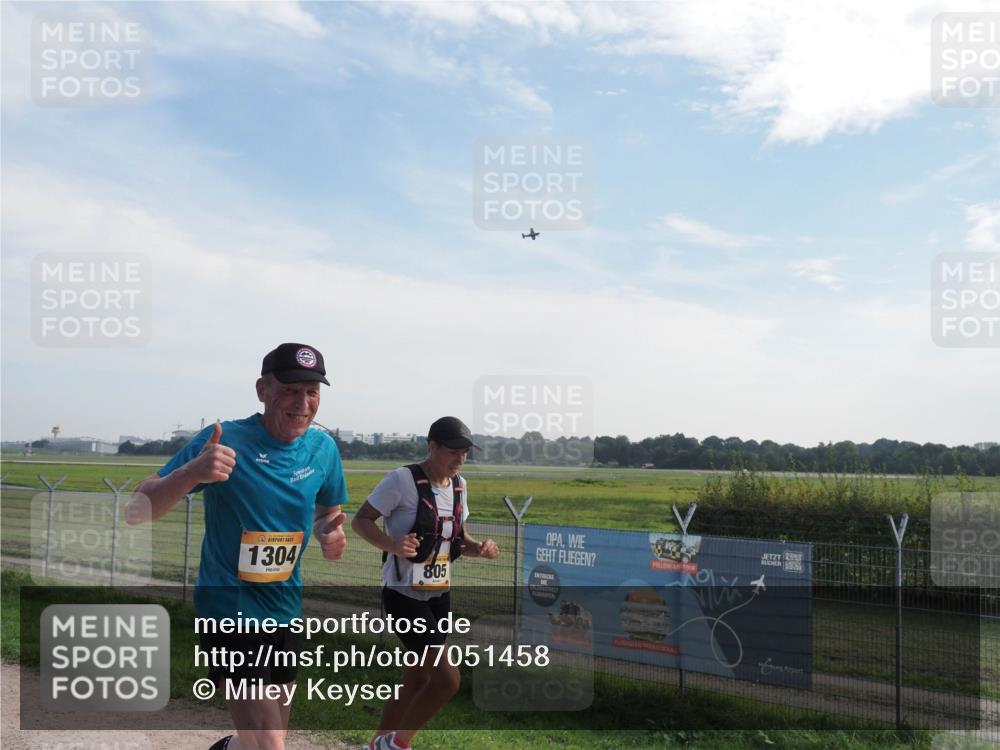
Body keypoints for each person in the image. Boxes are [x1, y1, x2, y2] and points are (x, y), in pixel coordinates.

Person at [125, 343, 348, 750]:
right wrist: (193, 472)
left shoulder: (323, 449)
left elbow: (327, 510)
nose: (303, 403)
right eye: (290, 390)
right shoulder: (225, 439)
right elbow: (136, 510)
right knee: (269, 744)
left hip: (284, 610)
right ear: (262, 389)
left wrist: (330, 532)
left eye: (313, 392)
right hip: (229, 612)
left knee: (261, 739)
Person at [351, 416, 500, 750]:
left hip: (438, 595)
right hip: (403, 595)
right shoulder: (402, 480)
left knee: (416, 679)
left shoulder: (459, 486)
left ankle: (376, 744)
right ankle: (397, 744)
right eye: (453, 451)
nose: (460, 459)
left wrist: (479, 548)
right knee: (448, 680)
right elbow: (360, 521)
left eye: (465, 452)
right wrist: (392, 544)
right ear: (431, 446)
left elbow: (456, 539)